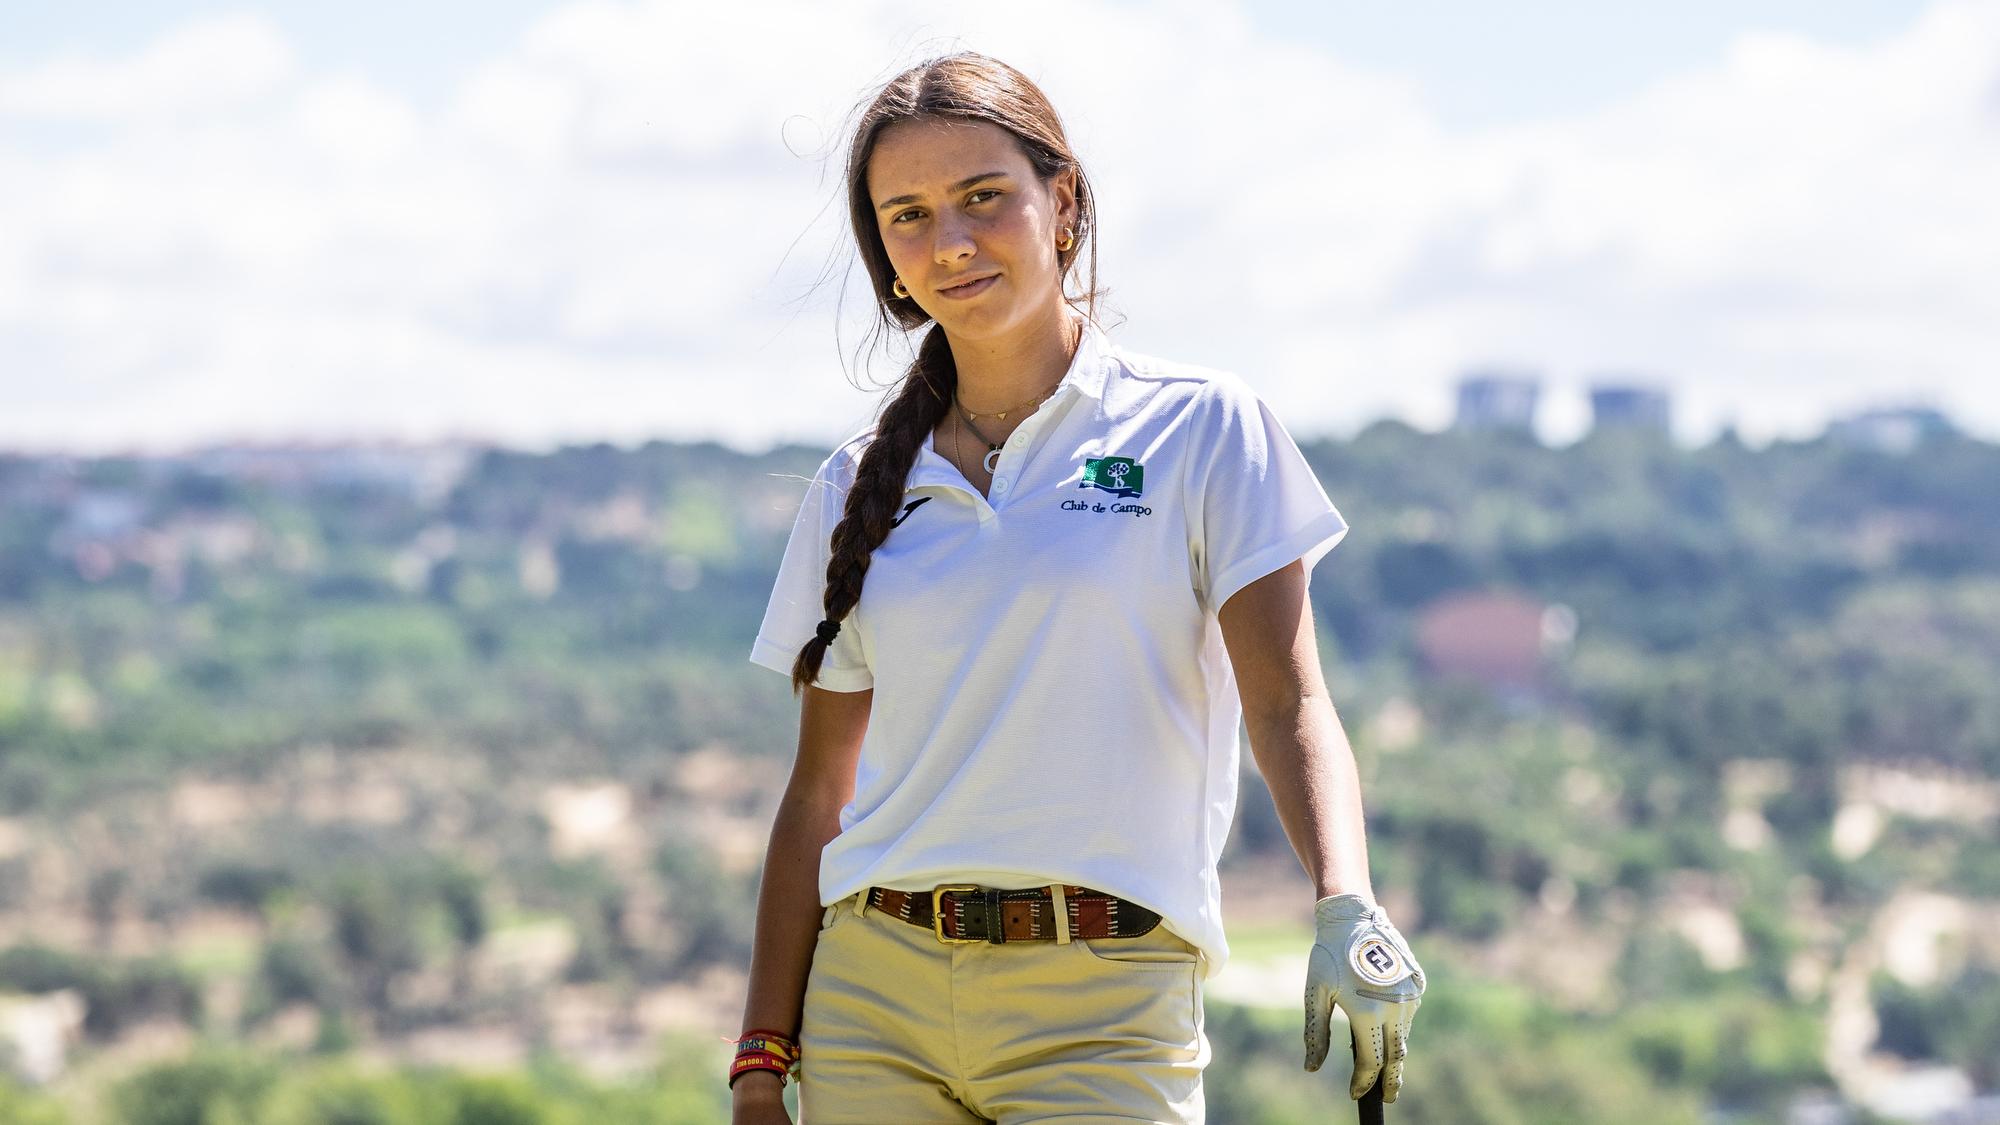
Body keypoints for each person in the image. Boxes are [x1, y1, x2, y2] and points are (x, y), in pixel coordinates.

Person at [732, 51, 1425, 1125]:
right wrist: (761, 1059)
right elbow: (817, 796)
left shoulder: (1200, 429)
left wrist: (1346, 903)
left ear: (1060, 202)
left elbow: (1285, 702)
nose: (949, 241)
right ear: (885, 257)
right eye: (906, 215)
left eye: (981, 198)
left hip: (1104, 1004)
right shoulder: (852, 485)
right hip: (872, 1000)